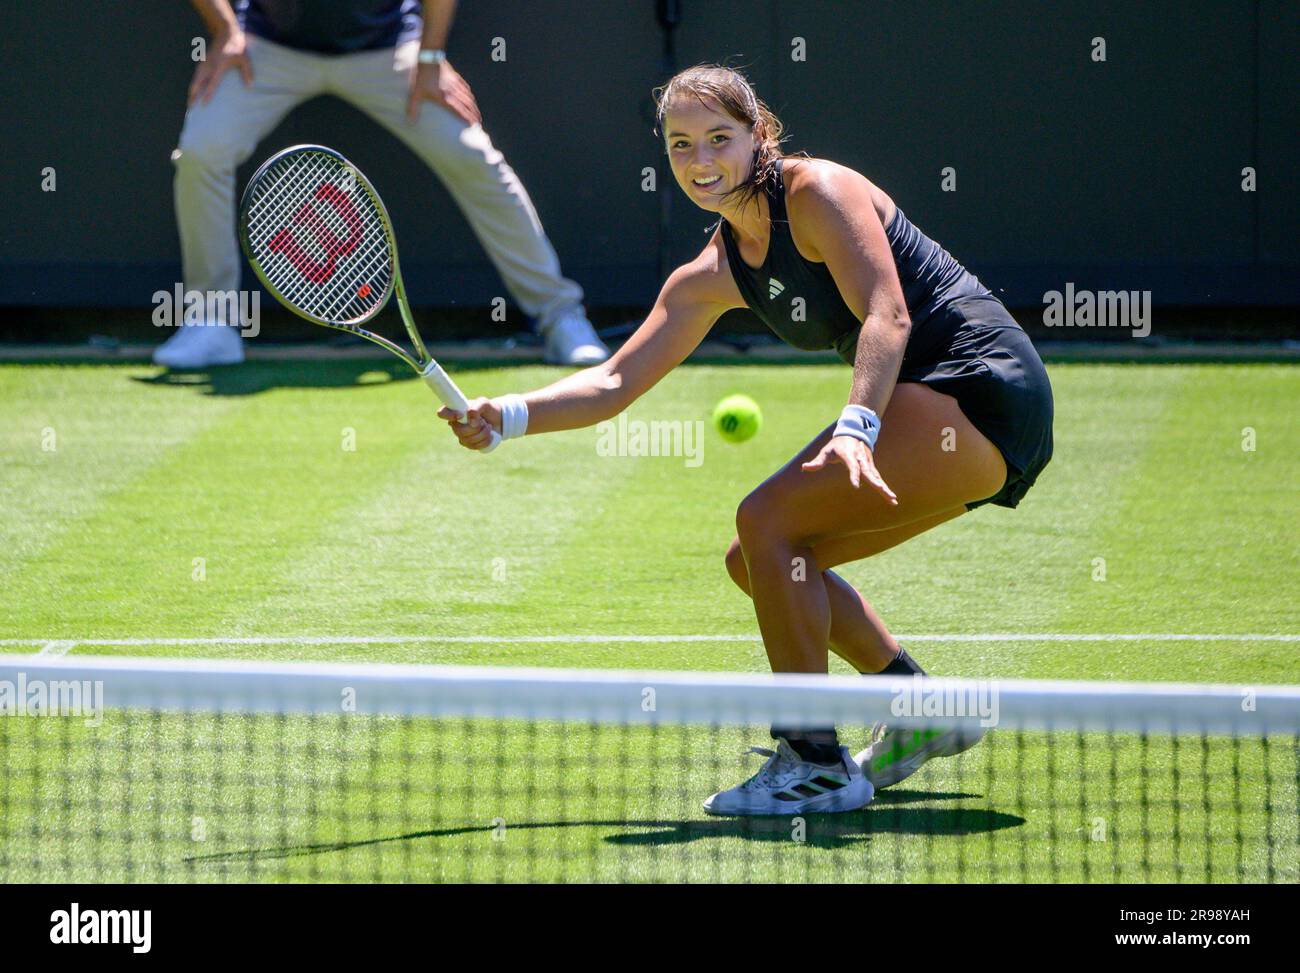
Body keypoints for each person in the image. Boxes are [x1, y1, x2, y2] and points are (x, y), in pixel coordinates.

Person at [439, 65, 1055, 816]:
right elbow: (613, 384)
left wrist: (858, 428)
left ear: (759, 133)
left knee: (765, 519)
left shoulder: (817, 193)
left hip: (979, 386)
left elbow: (887, 315)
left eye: (720, 140)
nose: (701, 163)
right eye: (681, 145)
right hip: (937, 407)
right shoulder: (713, 271)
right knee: (761, 561)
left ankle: (815, 759)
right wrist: (504, 414)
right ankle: (917, 705)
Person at [154, 0, 608, 369]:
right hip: (267, 49)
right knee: (201, 152)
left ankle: (559, 316)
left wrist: (430, 56)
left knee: (473, 156)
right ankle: (212, 320)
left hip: (389, 50)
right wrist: (226, 28)